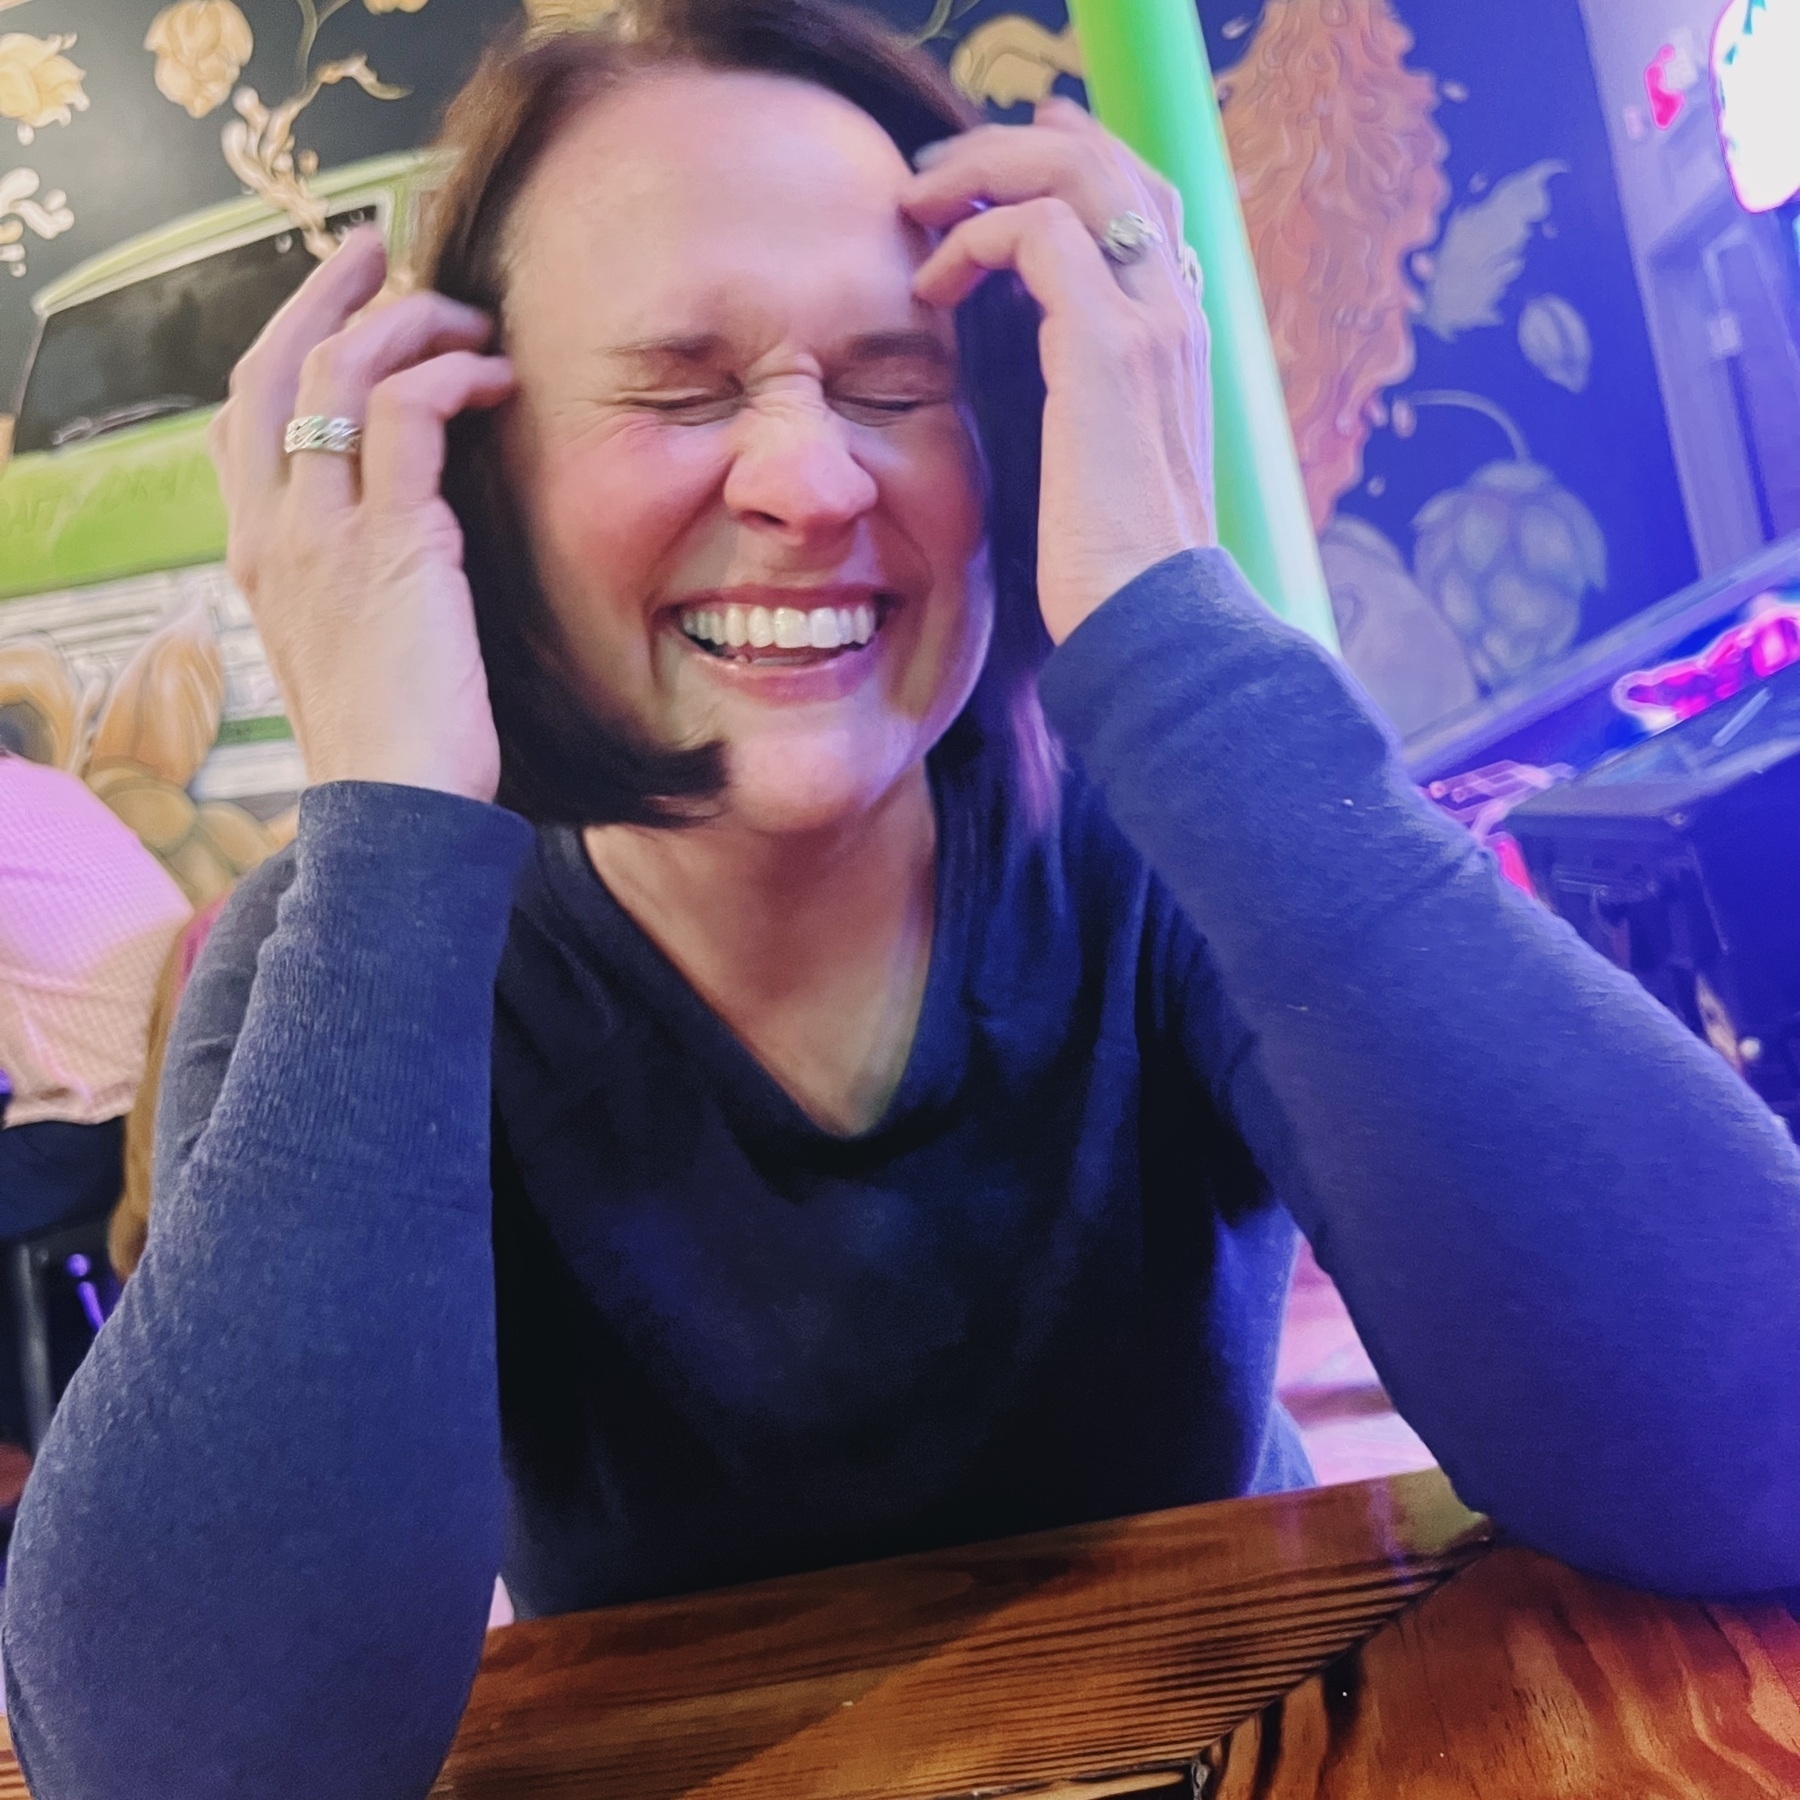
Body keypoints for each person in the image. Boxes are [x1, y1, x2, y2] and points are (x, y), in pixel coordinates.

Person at [5, 3, 1798, 1795]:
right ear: (485, 486)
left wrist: (1172, 624)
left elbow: (1757, 1444)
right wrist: (385, 814)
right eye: (679, 388)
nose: (808, 477)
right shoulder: (347, 962)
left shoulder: (1153, 843)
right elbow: (180, 1766)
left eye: (893, 387)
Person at [0, 739, 191, 1442]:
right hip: (159, 1116)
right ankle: (51, 1434)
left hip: (92, 1129)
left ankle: (30, 1446)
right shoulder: (53, 789)